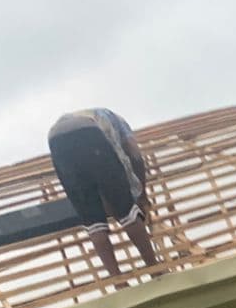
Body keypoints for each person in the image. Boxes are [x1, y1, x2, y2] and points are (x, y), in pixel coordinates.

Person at [47, 109, 158, 280]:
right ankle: (155, 270)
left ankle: (117, 282)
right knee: (127, 211)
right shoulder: (119, 124)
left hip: (56, 139)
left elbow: (95, 177)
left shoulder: (97, 115)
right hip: (86, 133)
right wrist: (141, 195)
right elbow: (134, 155)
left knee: (93, 222)